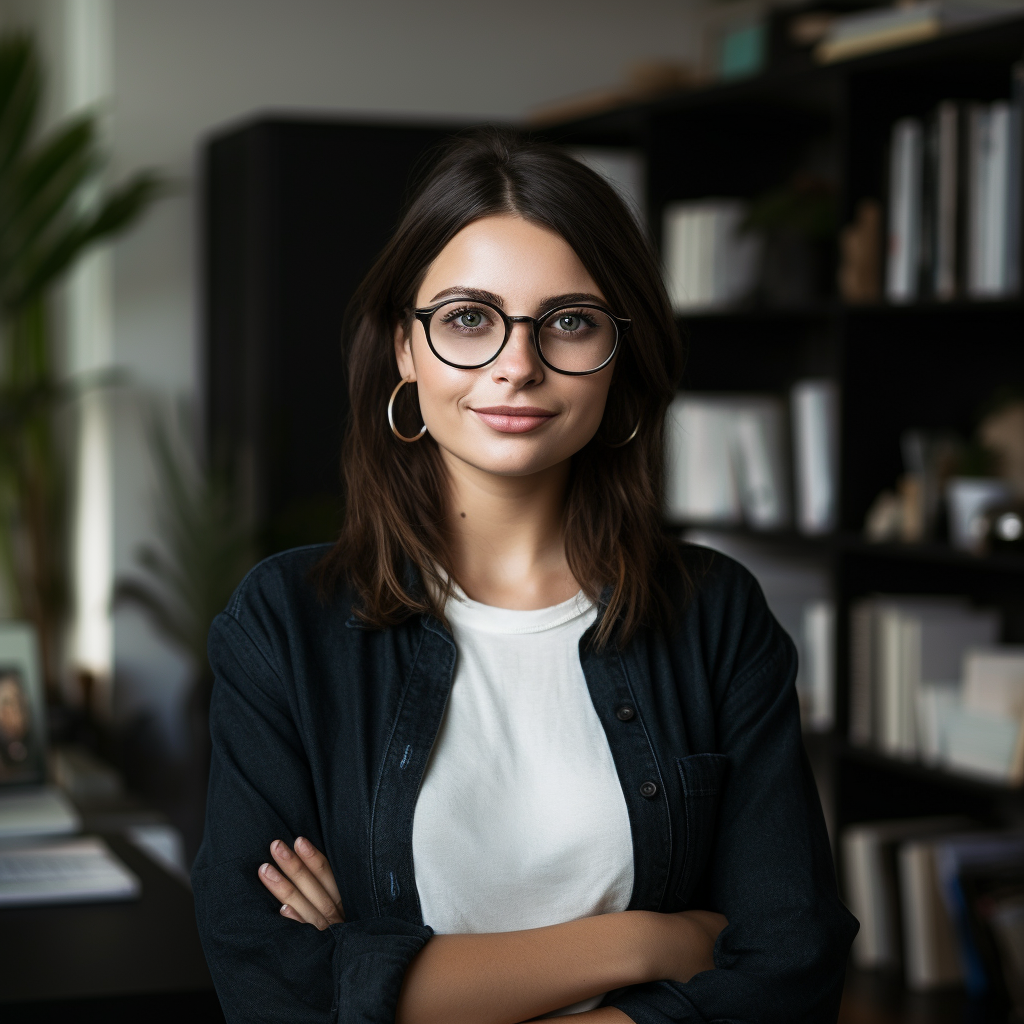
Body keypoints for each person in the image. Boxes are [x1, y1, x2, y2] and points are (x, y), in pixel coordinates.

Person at [192, 128, 857, 1024]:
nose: (517, 365)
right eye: (468, 318)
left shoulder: (714, 615)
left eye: (570, 321)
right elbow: (271, 985)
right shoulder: (285, 622)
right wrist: (644, 944)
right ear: (405, 348)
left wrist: (384, 980)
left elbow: (791, 965)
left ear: (619, 353)